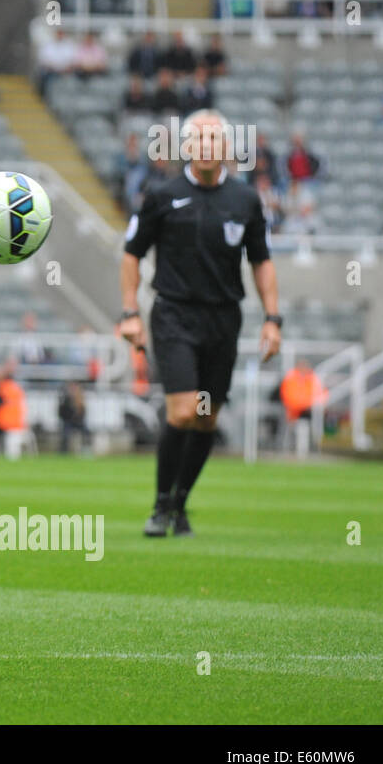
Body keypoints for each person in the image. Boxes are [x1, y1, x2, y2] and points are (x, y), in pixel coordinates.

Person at [119, 109, 281, 537]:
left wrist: (273, 319)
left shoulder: (245, 201)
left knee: (207, 418)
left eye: (215, 140)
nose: (207, 147)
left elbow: (262, 261)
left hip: (223, 320)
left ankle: (179, 503)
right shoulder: (161, 194)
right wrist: (129, 312)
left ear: (227, 148)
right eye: (199, 140)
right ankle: (159, 506)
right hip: (174, 315)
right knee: (184, 410)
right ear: (186, 147)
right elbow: (131, 253)